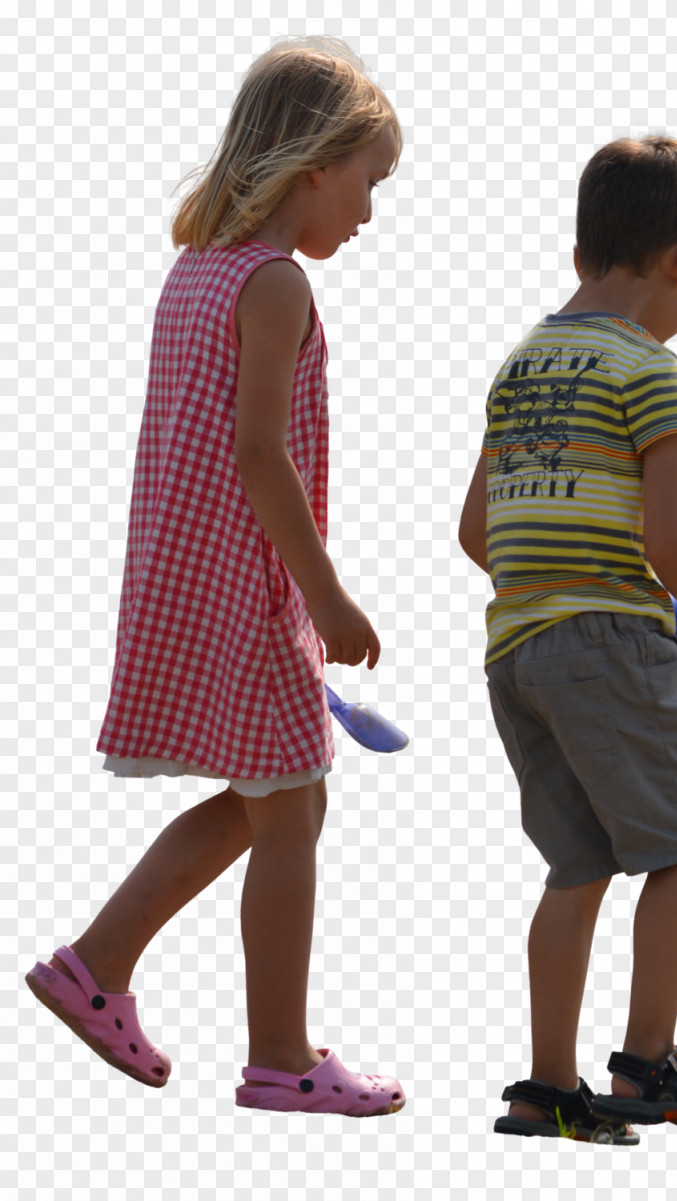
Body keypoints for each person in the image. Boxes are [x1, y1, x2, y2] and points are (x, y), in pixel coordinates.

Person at [26, 37, 405, 1119]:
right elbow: (256, 451)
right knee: (295, 806)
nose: (370, 213)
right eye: (368, 183)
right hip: (246, 584)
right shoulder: (276, 283)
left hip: (180, 573)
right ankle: (280, 1057)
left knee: (262, 801)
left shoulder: (197, 271)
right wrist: (325, 594)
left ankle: (95, 965)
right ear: (312, 165)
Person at [458, 135, 677, 1142]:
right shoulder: (651, 365)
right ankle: (645, 1068)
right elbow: (664, 536)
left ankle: (546, 1087)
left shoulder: (520, 364)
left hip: (517, 650)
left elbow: (476, 532)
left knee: (576, 864)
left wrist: (547, 587)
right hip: (612, 639)